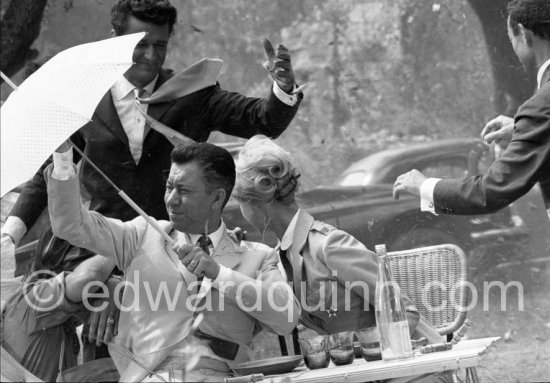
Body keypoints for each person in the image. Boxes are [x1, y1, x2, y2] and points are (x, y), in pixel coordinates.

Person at [2, 0, 302, 255]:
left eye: (160, 45)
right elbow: (47, 176)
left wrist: (282, 88)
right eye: (140, 44)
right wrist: (10, 235)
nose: (151, 55)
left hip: (178, 250)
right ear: (114, 40)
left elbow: (263, 120)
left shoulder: (192, 91)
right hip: (101, 248)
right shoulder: (85, 99)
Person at [45, 141, 300, 382]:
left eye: (184, 190)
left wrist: (218, 273)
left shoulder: (257, 256)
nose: (171, 199)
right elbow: (71, 224)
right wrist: (64, 158)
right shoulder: (139, 236)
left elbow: (286, 318)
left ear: (217, 198)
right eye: (169, 187)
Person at [232, 135, 440, 340]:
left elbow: (405, 315)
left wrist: (350, 346)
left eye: (239, 201)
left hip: (399, 366)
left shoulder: (328, 245)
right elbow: (272, 324)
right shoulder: (280, 258)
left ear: (255, 203)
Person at [392, 0, 550, 220]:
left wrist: (424, 186)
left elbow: (490, 192)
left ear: (523, 33)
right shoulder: (541, 112)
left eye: (510, 39)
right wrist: (524, 129)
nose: (512, 48)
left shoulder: (541, 106)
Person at [1, 228, 118, 382]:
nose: (97, 300)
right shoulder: (33, 302)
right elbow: (89, 277)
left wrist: (114, 282)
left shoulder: (61, 326)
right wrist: (119, 249)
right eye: (97, 291)